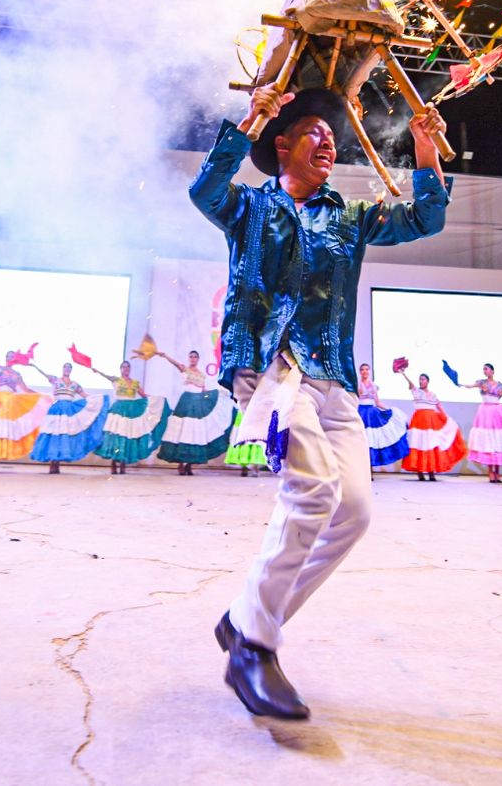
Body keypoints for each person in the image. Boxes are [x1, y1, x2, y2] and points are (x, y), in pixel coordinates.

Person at [192, 82, 448, 719]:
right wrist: (252, 111)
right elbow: (205, 192)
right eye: (314, 131)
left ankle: (247, 615)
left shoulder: (350, 216)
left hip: (334, 377)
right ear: (281, 145)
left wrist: (424, 152)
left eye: (333, 135)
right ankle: (253, 643)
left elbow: (426, 218)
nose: (329, 139)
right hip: (274, 369)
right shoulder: (249, 208)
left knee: (354, 512)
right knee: (313, 492)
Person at [156, 350, 234, 475]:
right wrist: (165, 356)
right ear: (189, 358)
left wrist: (218, 394)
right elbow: (175, 363)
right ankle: (181, 464)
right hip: (186, 402)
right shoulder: (185, 369)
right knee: (182, 432)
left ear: (198, 359)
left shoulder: (202, 375)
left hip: (197, 403)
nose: (193, 359)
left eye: (195, 357)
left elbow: (204, 390)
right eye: (191, 357)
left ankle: (189, 464)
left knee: (194, 433)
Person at [87, 361, 169, 475]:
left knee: (127, 436)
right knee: (117, 436)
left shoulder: (135, 383)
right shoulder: (116, 380)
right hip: (118, 410)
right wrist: (96, 370)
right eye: (124, 367)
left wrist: (157, 399)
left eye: (128, 367)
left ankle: (123, 463)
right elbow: (104, 375)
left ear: (130, 369)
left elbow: (144, 395)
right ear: (120, 369)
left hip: (131, 411)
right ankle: (114, 462)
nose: (126, 369)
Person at [30, 362, 109, 473]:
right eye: (65, 367)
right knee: (53, 434)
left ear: (71, 370)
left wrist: (99, 399)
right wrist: (34, 365)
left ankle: (57, 464)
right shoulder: (55, 380)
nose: (67, 369)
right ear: (62, 369)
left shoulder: (75, 384)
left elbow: (85, 395)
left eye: (69, 367)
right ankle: (53, 463)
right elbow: (44, 374)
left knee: (64, 435)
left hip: (68, 411)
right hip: (56, 410)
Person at [397, 370, 466, 482]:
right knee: (418, 443)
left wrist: (447, 419)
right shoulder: (416, 391)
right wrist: (403, 374)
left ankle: (431, 472)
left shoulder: (433, 395)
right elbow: (410, 384)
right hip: (419, 421)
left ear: (428, 381)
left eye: (423, 379)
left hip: (431, 423)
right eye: (420, 379)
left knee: (431, 444)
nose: (421, 381)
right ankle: (420, 472)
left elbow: (439, 407)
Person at [356, 363, 407, 468]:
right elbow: (354, 400)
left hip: (372, 413)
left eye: (367, 369)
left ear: (369, 371)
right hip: (361, 412)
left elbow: (378, 402)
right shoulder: (357, 384)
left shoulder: (373, 386)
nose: (365, 371)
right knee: (361, 439)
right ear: (360, 371)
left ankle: (370, 470)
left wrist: (389, 409)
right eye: (362, 369)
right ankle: (363, 469)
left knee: (371, 439)